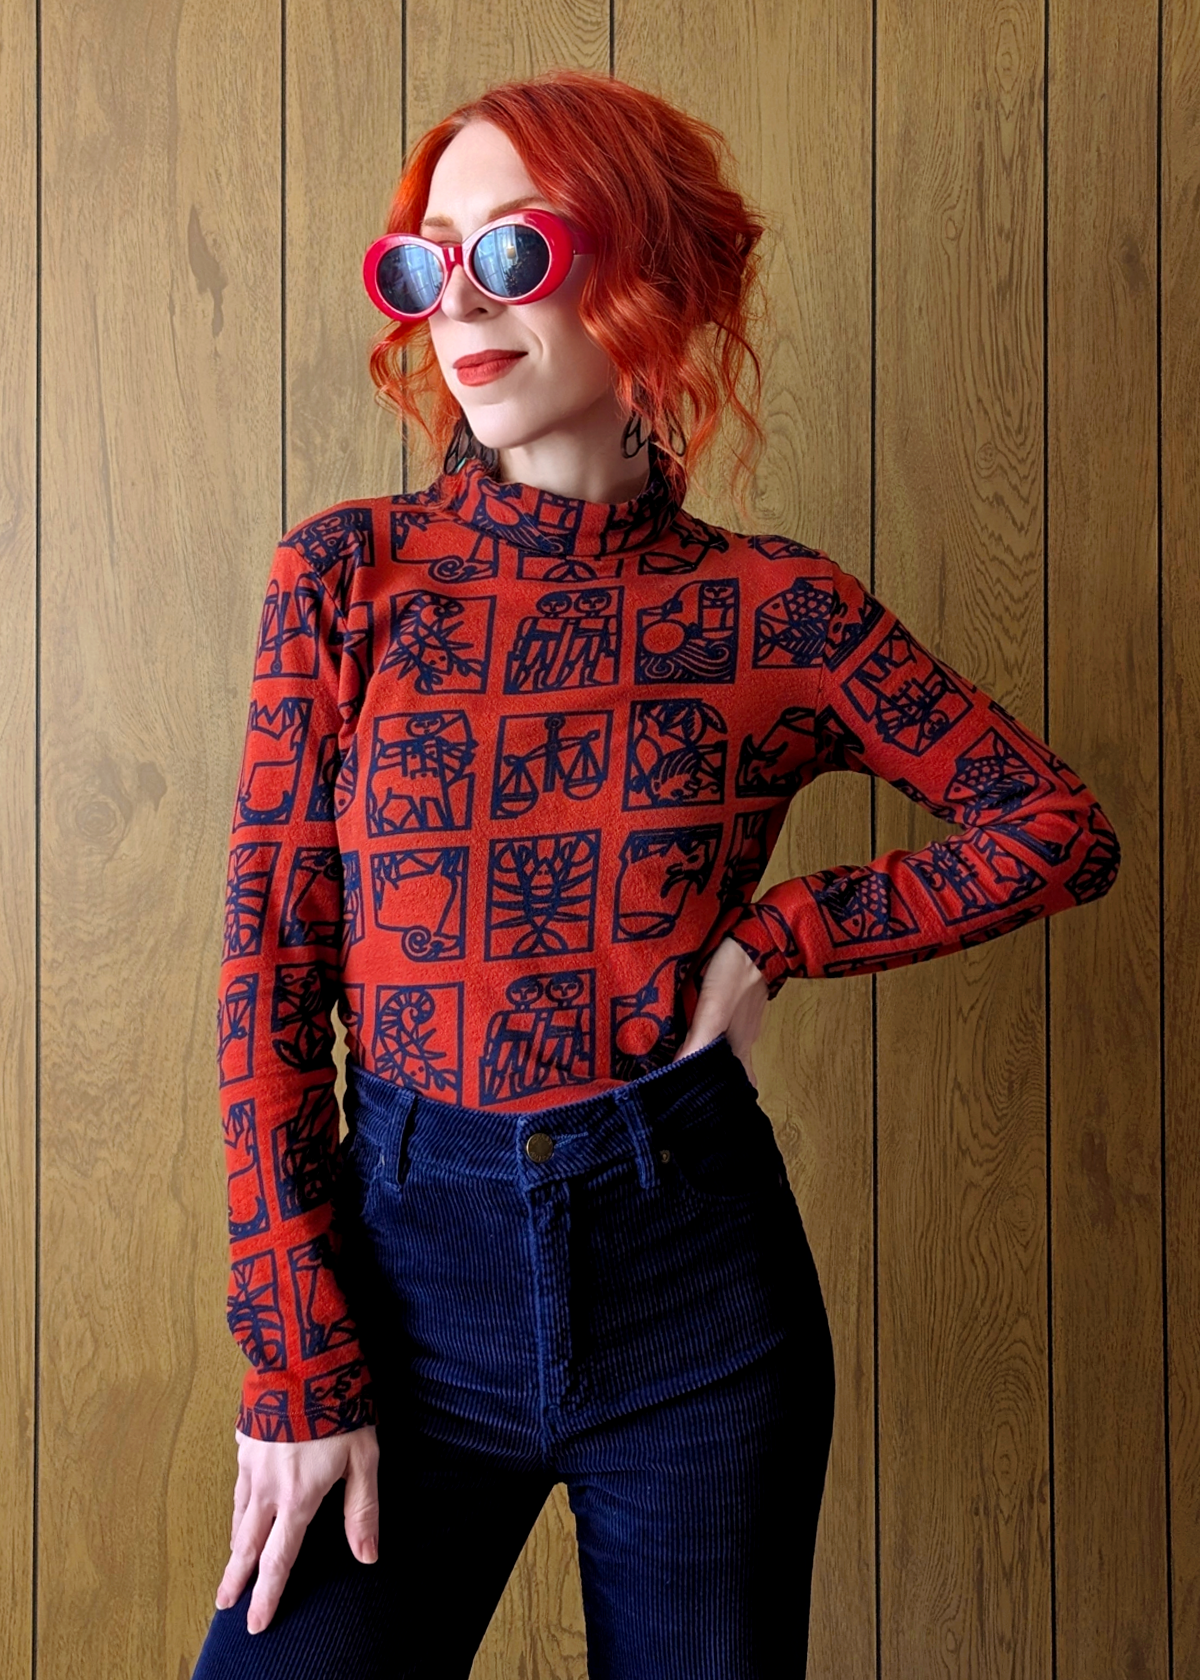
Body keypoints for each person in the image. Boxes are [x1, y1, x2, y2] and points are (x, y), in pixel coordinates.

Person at [192, 67, 1120, 1680]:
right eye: (426, 264)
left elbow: (1053, 826)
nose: (456, 306)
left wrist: (777, 942)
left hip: (698, 1302)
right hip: (404, 1297)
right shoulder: (346, 579)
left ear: (649, 276)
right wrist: (295, 1375)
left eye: (515, 255)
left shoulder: (777, 612)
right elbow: (270, 981)